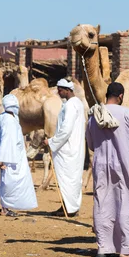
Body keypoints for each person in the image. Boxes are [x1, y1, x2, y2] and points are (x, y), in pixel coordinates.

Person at [86, 82, 129, 257]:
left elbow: (91, 144)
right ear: (121, 97)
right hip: (125, 163)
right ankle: (125, 250)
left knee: (102, 202)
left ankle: (103, 247)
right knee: (127, 202)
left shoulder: (94, 115)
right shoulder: (127, 114)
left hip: (101, 164)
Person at [0, 94, 37, 216]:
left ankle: (6, 207)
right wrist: (1, 158)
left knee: (9, 181)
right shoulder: (9, 121)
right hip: (10, 158)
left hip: (12, 155)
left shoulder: (1, 118)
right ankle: (5, 208)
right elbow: (6, 140)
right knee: (10, 182)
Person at [43, 78, 86, 217]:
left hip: (68, 148)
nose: (58, 92)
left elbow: (66, 129)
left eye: (60, 90)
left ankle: (70, 209)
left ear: (67, 90)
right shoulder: (75, 103)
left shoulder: (71, 105)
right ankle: (67, 206)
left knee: (68, 179)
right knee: (70, 179)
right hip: (73, 147)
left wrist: (52, 142)